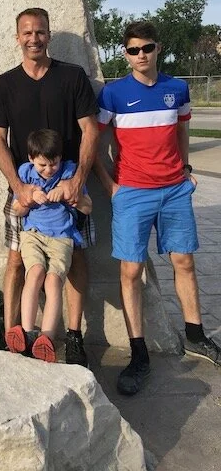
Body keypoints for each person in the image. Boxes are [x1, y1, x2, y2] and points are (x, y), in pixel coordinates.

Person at [94, 20, 221, 395]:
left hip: (174, 191)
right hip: (132, 192)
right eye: (133, 50)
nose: (140, 56)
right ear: (125, 54)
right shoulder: (113, 94)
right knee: (131, 271)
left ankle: (196, 335)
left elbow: (182, 131)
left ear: (157, 48)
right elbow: (94, 142)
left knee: (184, 261)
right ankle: (139, 354)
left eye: (146, 48)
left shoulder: (176, 88)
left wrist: (186, 169)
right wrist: (110, 186)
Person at [0, 7, 99, 366]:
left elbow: (91, 130)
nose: (34, 38)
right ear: (17, 37)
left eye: (40, 32)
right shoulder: (5, 84)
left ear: (48, 36)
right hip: (25, 188)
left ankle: (74, 336)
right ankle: (13, 335)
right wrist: (18, 186)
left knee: (75, 258)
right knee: (18, 260)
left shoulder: (72, 77)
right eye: (27, 33)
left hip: (68, 187)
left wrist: (78, 180)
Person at [7, 129, 92, 362]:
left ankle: (46, 338)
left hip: (62, 236)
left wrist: (67, 194)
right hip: (32, 234)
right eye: (42, 165)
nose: (48, 170)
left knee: (54, 281)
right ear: (31, 159)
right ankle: (26, 333)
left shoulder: (69, 173)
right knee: (34, 274)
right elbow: (17, 209)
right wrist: (30, 197)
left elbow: (87, 207)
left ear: (60, 159)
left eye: (53, 164)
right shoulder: (25, 174)